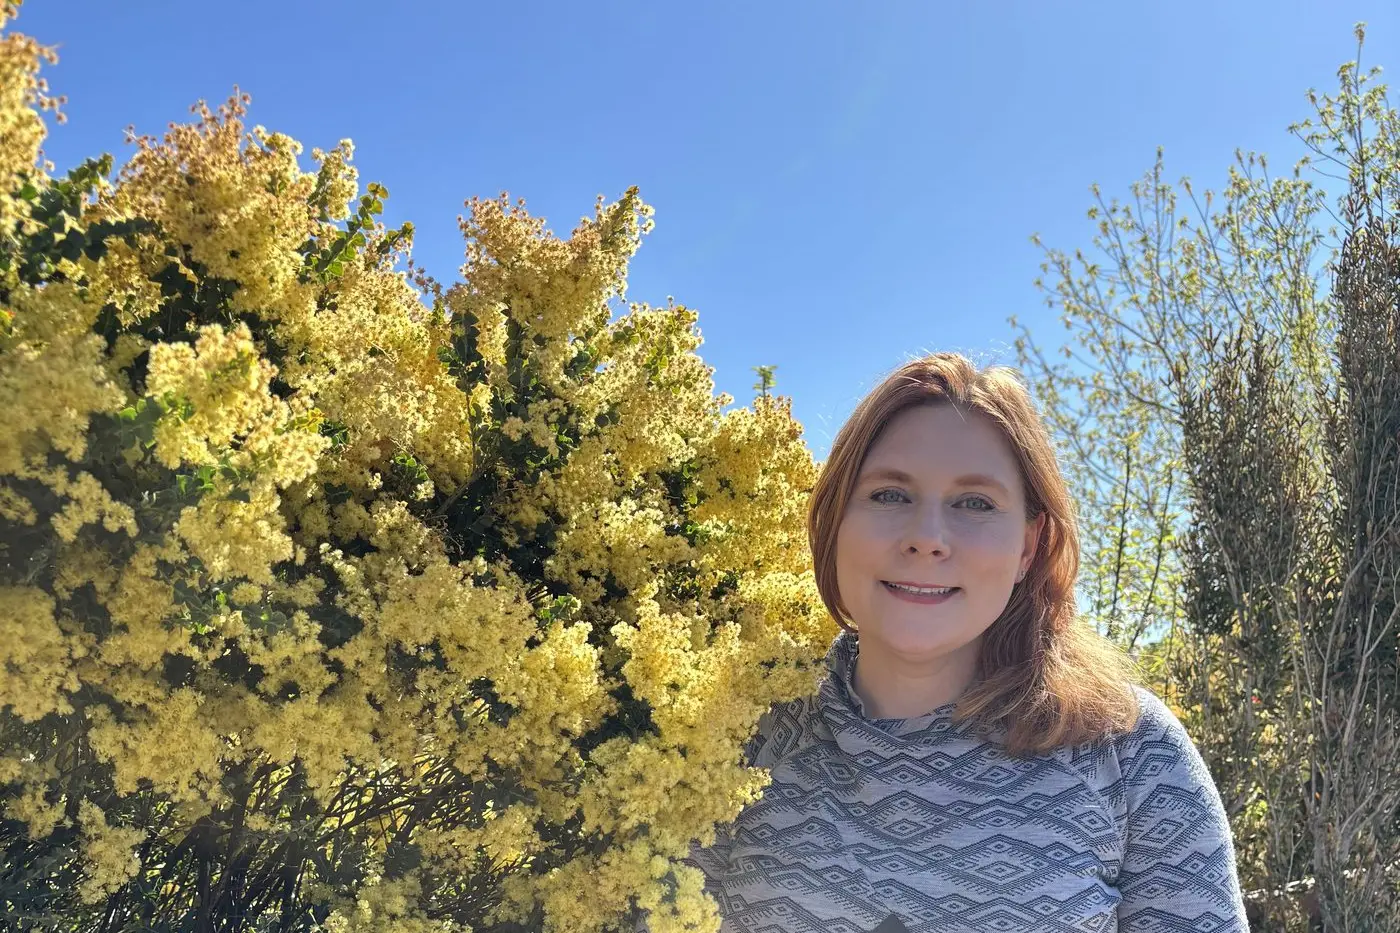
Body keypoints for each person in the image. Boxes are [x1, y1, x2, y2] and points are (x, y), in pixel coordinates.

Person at [663, 353, 1248, 932]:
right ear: (834, 521)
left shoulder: (1130, 753)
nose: (927, 538)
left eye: (975, 503)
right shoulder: (734, 740)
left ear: (1027, 547)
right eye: (890, 494)